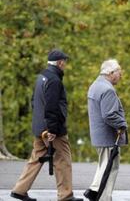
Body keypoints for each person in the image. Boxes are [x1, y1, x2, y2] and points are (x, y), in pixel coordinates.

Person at [10, 49, 83, 201]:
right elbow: (52, 106)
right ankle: (65, 195)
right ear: (60, 63)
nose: (66, 65)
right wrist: (53, 129)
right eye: (65, 62)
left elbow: (34, 102)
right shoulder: (54, 80)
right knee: (63, 159)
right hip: (52, 130)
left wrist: (41, 125)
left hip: (39, 127)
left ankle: (19, 190)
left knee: (36, 158)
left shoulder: (41, 77)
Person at [83, 59, 128, 201]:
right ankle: (104, 197)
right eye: (119, 73)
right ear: (110, 73)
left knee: (104, 165)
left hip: (99, 136)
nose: (120, 76)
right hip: (108, 137)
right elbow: (109, 115)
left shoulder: (95, 85)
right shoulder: (107, 89)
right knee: (110, 168)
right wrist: (122, 124)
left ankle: (94, 190)